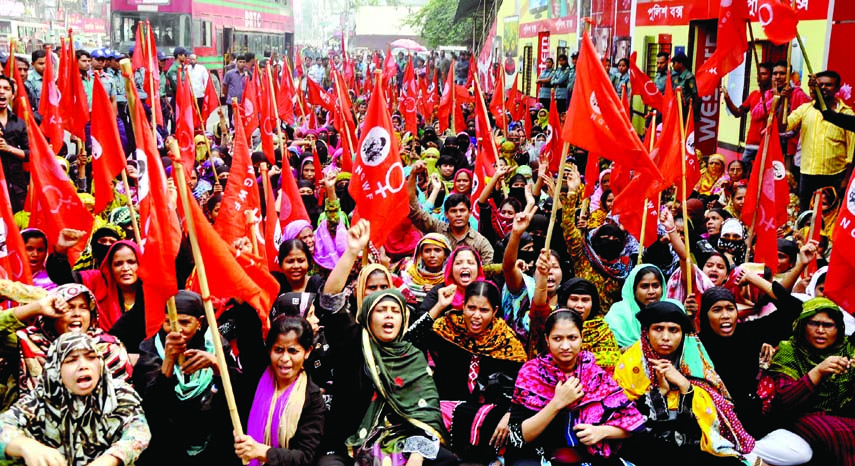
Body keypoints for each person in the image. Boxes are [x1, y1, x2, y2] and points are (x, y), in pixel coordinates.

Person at [317, 288, 453, 466]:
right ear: (367, 316)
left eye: (395, 311)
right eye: (381, 310)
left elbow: (426, 413)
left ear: (403, 319)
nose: (389, 315)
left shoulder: (412, 356)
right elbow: (330, 298)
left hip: (398, 439)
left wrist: (417, 454)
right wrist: (349, 257)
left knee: (446, 460)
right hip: (348, 444)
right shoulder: (353, 344)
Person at [614, 300, 758, 465]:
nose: (665, 337)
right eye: (658, 329)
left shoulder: (694, 363)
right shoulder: (632, 363)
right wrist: (659, 392)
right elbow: (622, 416)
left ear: (683, 334)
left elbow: (704, 426)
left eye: (673, 330)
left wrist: (685, 386)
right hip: (647, 447)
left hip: (692, 447)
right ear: (646, 332)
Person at [506, 310, 645, 466]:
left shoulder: (596, 376)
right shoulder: (530, 373)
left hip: (587, 456)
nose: (565, 346)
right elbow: (517, 435)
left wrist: (602, 431)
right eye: (557, 338)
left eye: (572, 338)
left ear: (581, 338)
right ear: (547, 339)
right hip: (540, 454)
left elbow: (633, 422)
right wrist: (557, 403)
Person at [407, 280, 526, 463]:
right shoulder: (447, 327)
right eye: (471, 308)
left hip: (484, 416)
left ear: (495, 311)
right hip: (442, 409)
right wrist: (438, 306)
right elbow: (409, 340)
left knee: (505, 423)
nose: (476, 316)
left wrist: (509, 414)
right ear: (463, 306)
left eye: (484, 310)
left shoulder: (506, 341)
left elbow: (519, 389)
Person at [0, 332, 150, 466]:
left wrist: (109, 459)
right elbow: (4, 425)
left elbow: (139, 432)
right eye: (71, 360)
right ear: (56, 369)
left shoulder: (117, 393)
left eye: (91, 357)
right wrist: (26, 446)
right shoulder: (42, 398)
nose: (83, 366)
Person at [134, 291, 241, 465]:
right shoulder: (151, 349)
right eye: (169, 323)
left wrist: (216, 366)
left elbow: (239, 395)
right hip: (167, 446)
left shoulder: (216, 345)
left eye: (185, 322)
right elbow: (152, 408)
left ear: (199, 322)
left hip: (213, 444)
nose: (177, 330)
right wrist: (168, 361)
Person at [759, 297, 855, 466]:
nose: (820, 330)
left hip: (841, 417)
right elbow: (784, 401)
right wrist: (818, 372)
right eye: (813, 323)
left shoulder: (849, 351)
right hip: (797, 419)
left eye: (828, 325)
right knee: (828, 432)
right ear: (802, 326)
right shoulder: (789, 351)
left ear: (839, 329)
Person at [233, 315, 325, 466]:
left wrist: (263, 452)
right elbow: (248, 333)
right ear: (269, 350)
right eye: (278, 350)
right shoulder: (257, 378)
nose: (285, 358)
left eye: (293, 351)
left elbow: (304, 456)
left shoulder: (312, 398)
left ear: (307, 352)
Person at [17, 283, 133, 395]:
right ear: (50, 315)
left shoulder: (108, 347)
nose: (77, 314)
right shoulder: (30, 342)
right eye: (69, 308)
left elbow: (125, 398)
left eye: (83, 308)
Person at [48, 234, 148, 352]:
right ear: (110, 267)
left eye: (131, 262)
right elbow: (64, 278)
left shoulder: (152, 291)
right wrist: (61, 252)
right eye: (118, 264)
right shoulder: (97, 281)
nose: (125, 268)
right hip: (101, 355)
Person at [561, 165, 630, 310]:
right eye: (605, 237)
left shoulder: (626, 269)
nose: (610, 241)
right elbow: (568, 228)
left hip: (610, 327)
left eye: (615, 239)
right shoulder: (583, 258)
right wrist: (572, 193)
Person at [786, 70, 855, 211]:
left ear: (837, 88)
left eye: (828, 85)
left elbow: (852, 152)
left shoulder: (847, 114)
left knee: (831, 216)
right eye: (820, 85)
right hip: (808, 174)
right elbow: (783, 125)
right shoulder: (806, 109)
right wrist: (781, 99)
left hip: (835, 176)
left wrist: (845, 180)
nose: (823, 88)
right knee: (806, 214)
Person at [409, 161, 495, 264]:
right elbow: (415, 212)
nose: (458, 215)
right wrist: (413, 174)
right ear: (446, 214)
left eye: (462, 211)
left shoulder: (481, 243)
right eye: (453, 211)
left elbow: (488, 270)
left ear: (470, 213)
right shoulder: (437, 228)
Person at [722, 62, 773, 167]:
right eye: (758, 74)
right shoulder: (754, 94)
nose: (759, 77)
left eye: (763, 74)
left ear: (771, 76)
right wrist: (727, 98)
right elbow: (737, 113)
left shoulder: (775, 96)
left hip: (766, 145)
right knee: (743, 175)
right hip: (750, 145)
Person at [605, 264, 665, 349]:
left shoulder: (671, 311)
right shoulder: (619, 312)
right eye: (644, 287)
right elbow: (610, 350)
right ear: (633, 289)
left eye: (655, 286)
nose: (651, 291)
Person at [0, 75, 30, 212]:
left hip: (17, 185)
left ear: (12, 95)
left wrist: (8, 149)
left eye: (6, 89)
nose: (1, 92)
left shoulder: (19, 123)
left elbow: (31, 153)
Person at [401, 233, 452, 306]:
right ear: (421, 254)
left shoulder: (452, 277)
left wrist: (435, 291)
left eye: (437, 250)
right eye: (427, 251)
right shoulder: (409, 273)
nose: (432, 255)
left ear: (446, 255)